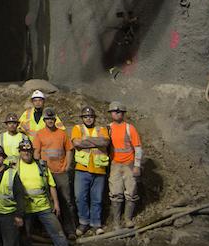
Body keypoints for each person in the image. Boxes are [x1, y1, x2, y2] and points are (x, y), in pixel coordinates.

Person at [15, 139, 74, 246]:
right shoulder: (15, 167)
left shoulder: (41, 165)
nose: (26, 153)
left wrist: (56, 203)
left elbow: (51, 185)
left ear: (32, 151)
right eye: (23, 150)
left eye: (28, 150)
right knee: (24, 235)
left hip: (44, 206)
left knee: (58, 232)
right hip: (25, 208)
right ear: (19, 152)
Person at [32, 107, 76, 237]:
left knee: (66, 201)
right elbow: (36, 153)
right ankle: (51, 231)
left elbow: (69, 150)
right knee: (49, 202)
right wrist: (39, 169)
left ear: (55, 119)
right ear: (44, 120)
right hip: (47, 173)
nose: (50, 121)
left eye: (52, 119)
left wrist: (68, 165)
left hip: (61, 172)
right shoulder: (39, 134)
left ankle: (70, 230)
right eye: (47, 119)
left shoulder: (62, 133)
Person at [70, 106, 110, 235]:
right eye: (86, 117)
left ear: (94, 118)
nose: (88, 119)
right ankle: (84, 222)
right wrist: (96, 142)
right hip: (82, 169)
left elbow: (105, 143)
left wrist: (86, 140)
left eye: (91, 116)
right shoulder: (77, 128)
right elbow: (77, 143)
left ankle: (96, 224)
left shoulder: (102, 129)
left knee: (97, 199)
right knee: (80, 198)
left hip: (99, 169)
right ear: (82, 118)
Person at [108, 101, 142, 228]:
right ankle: (116, 222)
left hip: (129, 164)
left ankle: (128, 219)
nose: (116, 114)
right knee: (115, 192)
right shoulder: (108, 128)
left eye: (118, 112)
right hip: (115, 164)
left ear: (123, 113)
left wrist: (137, 165)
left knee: (131, 192)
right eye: (114, 112)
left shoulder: (129, 128)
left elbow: (138, 147)